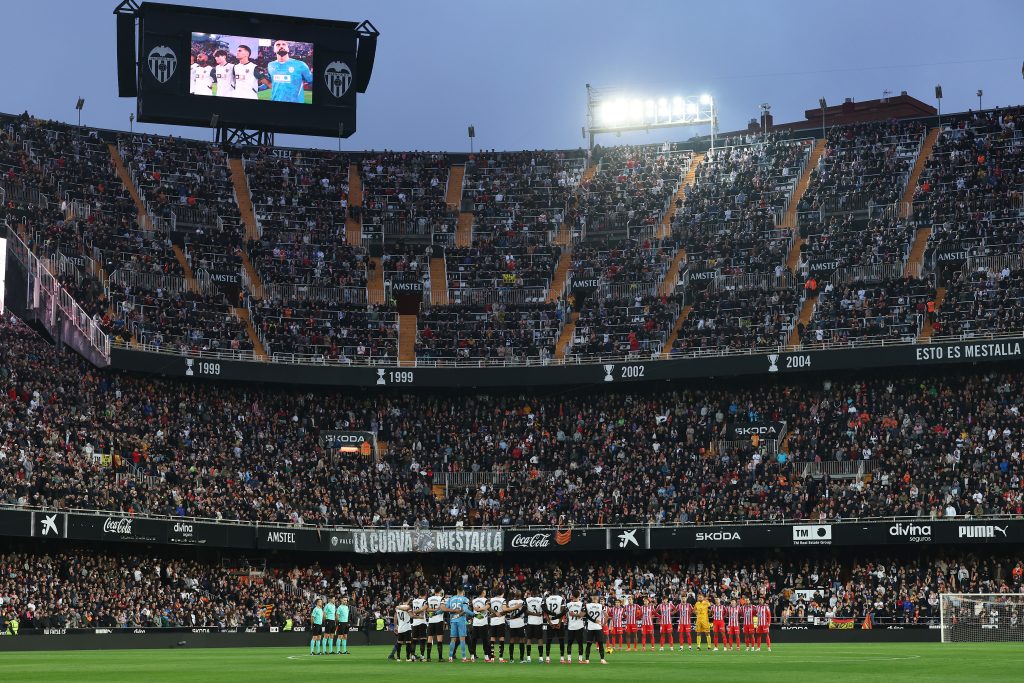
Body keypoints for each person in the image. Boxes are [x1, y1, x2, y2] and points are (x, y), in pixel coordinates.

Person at [444, 587, 471, 662]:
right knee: (462, 639)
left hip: (452, 620)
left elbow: (445, 609)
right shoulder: (465, 599)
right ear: (463, 591)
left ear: (457, 591)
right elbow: (465, 610)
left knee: (453, 639)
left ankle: (450, 657)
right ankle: (464, 658)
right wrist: (473, 614)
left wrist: (436, 613)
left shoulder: (451, 598)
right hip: (461, 620)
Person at [584, 593, 608, 664]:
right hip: (591, 627)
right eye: (594, 597)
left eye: (596, 597)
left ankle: (602, 659)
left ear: (597, 598)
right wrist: (603, 622)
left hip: (597, 627)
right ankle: (587, 659)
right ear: (591, 597)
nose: (595, 598)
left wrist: (604, 623)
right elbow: (585, 614)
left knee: (600, 643)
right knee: (589, 644)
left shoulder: (599, 606)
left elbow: (606, 616)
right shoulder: (589, 605)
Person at [544, 590, 566, 664]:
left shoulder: (547, 599)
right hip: (559, 622)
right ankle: (562, 658)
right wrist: (559, 623)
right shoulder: (561, 599)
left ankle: (547, 658)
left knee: (548, 641)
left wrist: (549, 623)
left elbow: (545, 612)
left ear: (551, 593)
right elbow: (562, 612)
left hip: (550, 622)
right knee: (561, 641)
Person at [469, 588, 491, 662]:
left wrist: (477, 610)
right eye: (484, 591)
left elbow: (472, 609)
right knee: (485, 640)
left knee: (473, 640)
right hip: (483, 622)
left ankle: (472, 656)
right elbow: (487, 606)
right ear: (482, 593)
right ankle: (486, 657)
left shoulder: (474, 600)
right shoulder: (485, 600)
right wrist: (480, 609)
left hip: (475, 622)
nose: (485, 592)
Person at [505, 590, 527, 663]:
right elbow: (523, 611)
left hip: (512, 623)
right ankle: (521, 659)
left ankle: (511, 659)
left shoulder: (510, 602)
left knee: (512, 640)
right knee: (522, 640)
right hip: (519, 622)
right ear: (520, 595)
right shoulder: (522, 602)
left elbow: (508, 611)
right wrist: (516, 616)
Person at [525, 590, 545, 662]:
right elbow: (544, 609)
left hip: (530, 622)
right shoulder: (540, 599)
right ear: (537, 593)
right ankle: (540, 657)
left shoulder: (527, 599)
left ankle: (528, 657)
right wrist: (537, 614)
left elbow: (526, 611)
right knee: (540, 639)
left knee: (529, 639)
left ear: (531, 593)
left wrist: (533, 614)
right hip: (538, 622)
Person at [566, 593, 586, 663]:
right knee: (580, 643)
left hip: (571, 626)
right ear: (579, 596)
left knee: (569, 643)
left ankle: (569, 659)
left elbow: (565, 614)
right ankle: (580, 659)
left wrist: (573, 614)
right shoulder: (582, 604)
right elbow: (582, 615)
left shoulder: (568, 604)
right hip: (579, 626)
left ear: (572, 596)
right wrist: (577, 614)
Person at [426, 589, 445, 661]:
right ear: (440, 592)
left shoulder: (429, 598)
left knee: (430, 638)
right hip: (439, 620)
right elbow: (442, 608)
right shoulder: (441, 598)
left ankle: (428, 657)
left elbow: (427, 609)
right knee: (439, 638)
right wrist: (436, 610)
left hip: (431, 620)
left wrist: (432, 611)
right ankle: (440, 658)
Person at [489, 589, 507, 662]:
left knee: (492, 638)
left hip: (493, 622)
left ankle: (492, 658)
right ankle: (501, 658)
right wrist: (500, 613)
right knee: (501, 638)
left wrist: (494, 613)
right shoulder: (503, 600)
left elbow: (488, 607)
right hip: (500, 622)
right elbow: (504, 610)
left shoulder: (491, 599)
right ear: (502, 593)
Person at [411, 591, 428, 661]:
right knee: (422, 640)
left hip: (414, 623)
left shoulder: (414, 601)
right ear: (425, 595)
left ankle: (412, 656)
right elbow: (424, 608)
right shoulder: (424, 601)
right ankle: (422, 656)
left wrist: (414, 612)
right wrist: (416, 612)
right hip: (422, 622)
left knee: (414, 640)